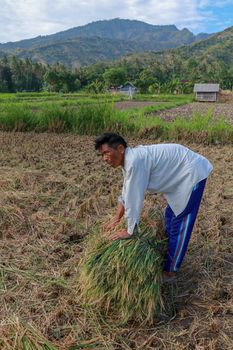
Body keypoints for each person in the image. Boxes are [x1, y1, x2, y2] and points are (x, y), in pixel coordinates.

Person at [95, 132, 213, 281]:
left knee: (180, 224)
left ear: (120, 148)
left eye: (106, 153)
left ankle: (170, 272)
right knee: (170, 216)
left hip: (191, 173)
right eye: (102, 155)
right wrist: (116, 219)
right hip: (178, 176)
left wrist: (130, 231)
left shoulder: (134, 162)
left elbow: (134, 198)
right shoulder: (129, 161)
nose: (104, 159)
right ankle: (170, 251)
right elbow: (126, 191)